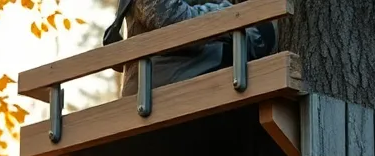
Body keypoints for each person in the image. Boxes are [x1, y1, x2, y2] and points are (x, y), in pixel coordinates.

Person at [102, 0, 277, 97]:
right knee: (261, 33)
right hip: (159, 84)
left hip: (181, 74)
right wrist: (231, 13)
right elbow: (173, 20)